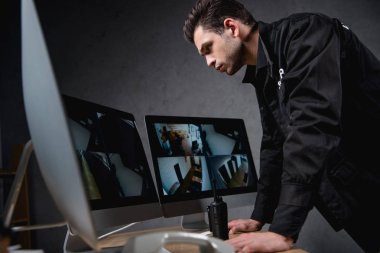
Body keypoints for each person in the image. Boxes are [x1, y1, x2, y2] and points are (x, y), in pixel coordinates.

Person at [183, 0, 380, 252]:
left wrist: (283, 230)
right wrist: (260, 216)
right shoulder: (265, 72)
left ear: (231, 27)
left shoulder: (306, 33)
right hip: (359, 195)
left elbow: (312, 126)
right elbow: (275, 144)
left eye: (208, 48)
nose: (209, 62)